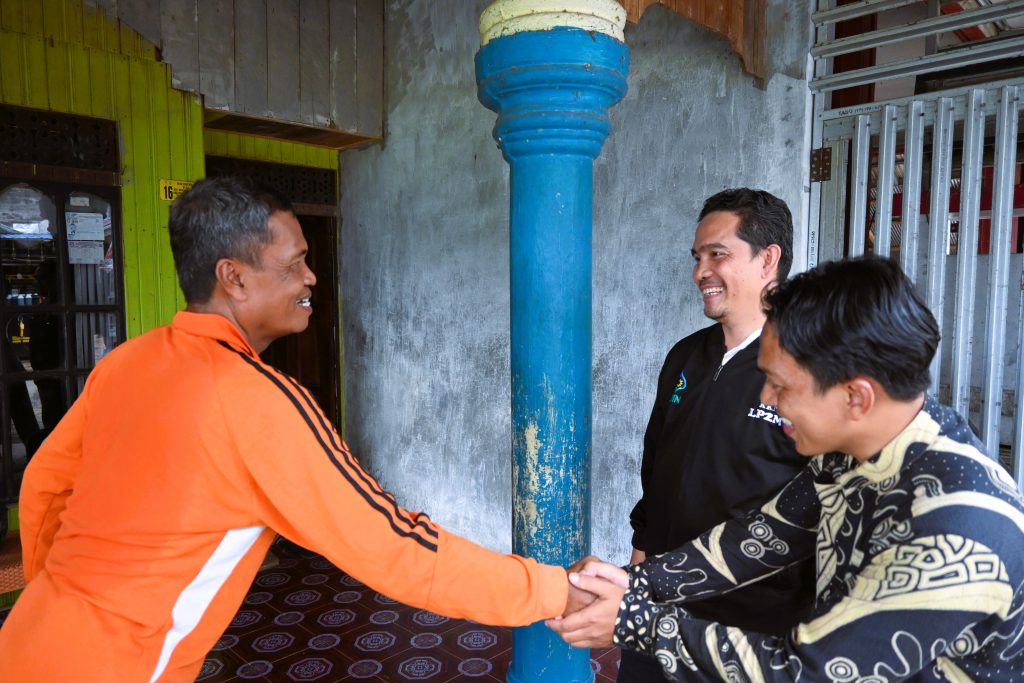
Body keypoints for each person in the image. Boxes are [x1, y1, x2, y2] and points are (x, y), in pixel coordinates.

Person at [0, 176, 586, 683]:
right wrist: (552, 590)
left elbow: (43, 488)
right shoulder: (258, 400)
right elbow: (396, 548)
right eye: (293, 263)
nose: (311, 277)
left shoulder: (124, 363)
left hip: (26, 636)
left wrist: (64, 593)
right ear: (233, 277)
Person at [550, 257, 1024, 682]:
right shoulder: (856, 451)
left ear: (856, 397)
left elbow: (808, 672)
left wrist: (634, 620)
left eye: (779, 385)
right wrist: (633, 583)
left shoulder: (955, 528)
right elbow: (760, 538)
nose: (765, 399)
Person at [621, 189, 813, 681]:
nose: (700, 272)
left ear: (768, 259)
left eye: (718, 255)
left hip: (752, 624)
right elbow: (656, 467)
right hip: (659, 597)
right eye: (698, 257)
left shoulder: (807, 367)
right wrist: (638, 568)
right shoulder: (685, 356)